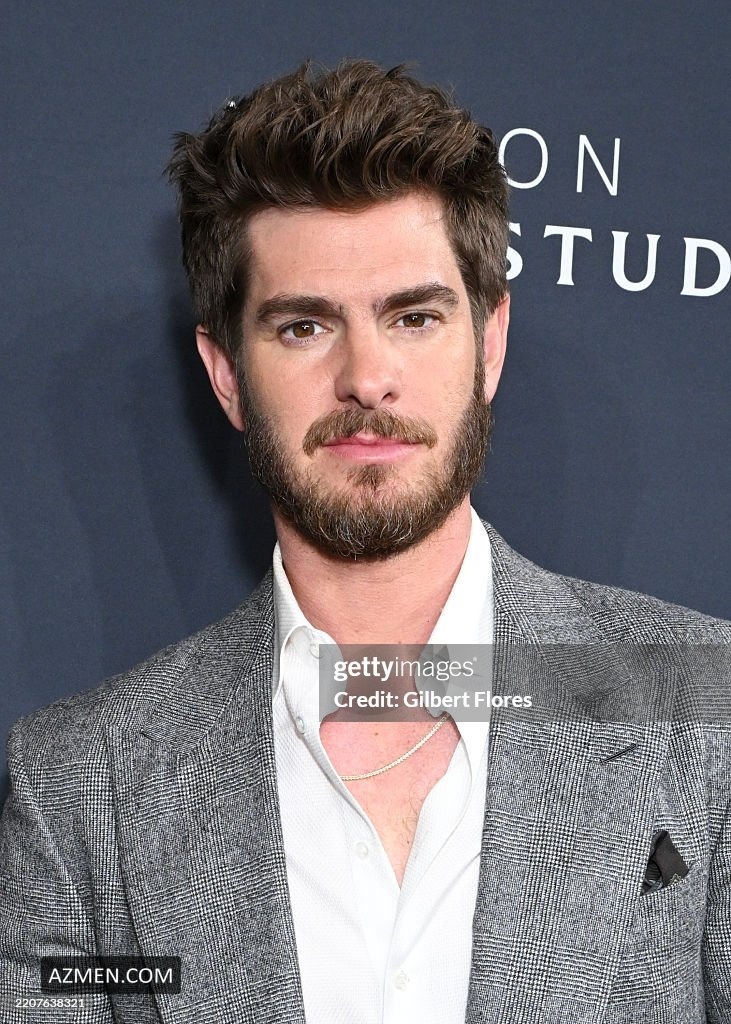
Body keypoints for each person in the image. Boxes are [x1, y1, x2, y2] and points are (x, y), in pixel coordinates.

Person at [0, 59, 729, 1024]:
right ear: (227, 376)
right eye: (304, 327)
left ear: (489, 344)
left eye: (414, 317)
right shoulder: (77, 787)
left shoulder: (705, 718)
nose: (367, 377)